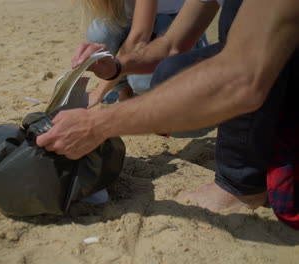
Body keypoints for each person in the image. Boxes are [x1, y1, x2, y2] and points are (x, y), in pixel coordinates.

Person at [37, 0, 299, 228]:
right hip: (260, 55)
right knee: (169, 74)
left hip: (264, 61)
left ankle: (240, 186)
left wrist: (98, 125)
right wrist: (116, 66)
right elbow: (171, 44)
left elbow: (241, 79)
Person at [74, 0, 208, 107]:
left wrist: (99, 92)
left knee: (141, 82)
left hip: (174, 22)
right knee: (99, 33)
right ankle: (124, 91)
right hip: (134, 20)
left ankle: (198, 56)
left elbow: (139, 38)